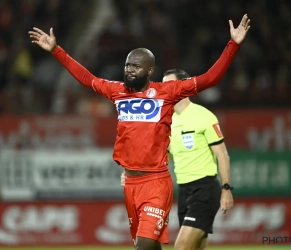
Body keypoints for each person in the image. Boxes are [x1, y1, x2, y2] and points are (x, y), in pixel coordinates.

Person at [29, 14, 250, 250]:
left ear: (149, 70)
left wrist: (233, 44)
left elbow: (209, 78)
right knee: (148, 246)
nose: (130, 69)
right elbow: (87, 78)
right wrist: (56, 50)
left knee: (143, 247)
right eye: (127, 65)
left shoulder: (167, 91)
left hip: (155, 183)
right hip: (131, 185)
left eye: (136, 65)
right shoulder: (117, 92)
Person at [121, 69, 234, 250]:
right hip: (183, 191)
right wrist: (132, 171)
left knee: (181, 246)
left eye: (169, 84)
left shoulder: (203, 116)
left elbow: (222, 155)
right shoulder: (167, 120)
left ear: (182, 86)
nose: (164, 88)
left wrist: (226, 188)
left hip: (204, 189)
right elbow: (158, 155)